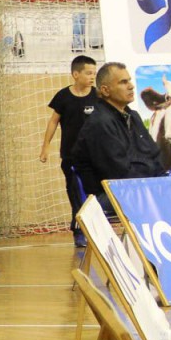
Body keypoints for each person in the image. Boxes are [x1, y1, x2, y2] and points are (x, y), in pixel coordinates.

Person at [71, 62, 163, 210]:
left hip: (138, 187)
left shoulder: (133, 116)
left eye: (129, 81)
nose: (131, 86)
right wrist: (154, 185)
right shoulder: (99, 123)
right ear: (105, 90)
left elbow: (154, 154)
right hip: (109, 194)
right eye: (123, 82)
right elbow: (119, 173)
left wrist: (164, 182)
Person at [39, 55, 98, 247]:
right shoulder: (63, 96)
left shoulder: (98, 96)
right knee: (76, 194)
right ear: (76, 74)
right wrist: (45, 147)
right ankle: (79, 232)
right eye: (88, 73)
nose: (92, 77)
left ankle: (97, 231)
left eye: (94, 73)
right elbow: (53, 122)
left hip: (94, 157)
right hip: (71, 157)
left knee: (94, 195)